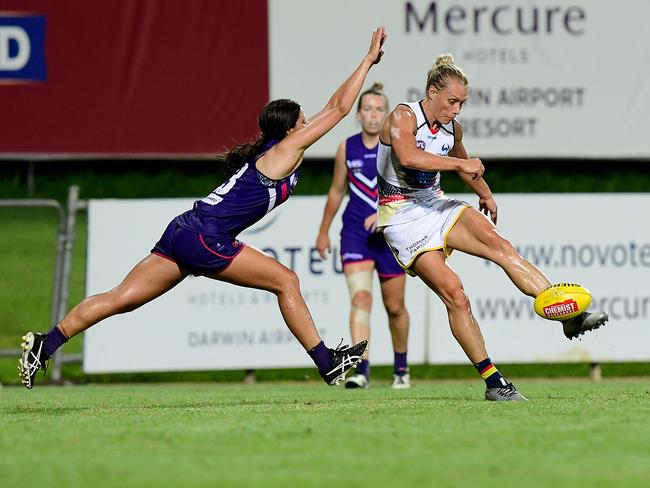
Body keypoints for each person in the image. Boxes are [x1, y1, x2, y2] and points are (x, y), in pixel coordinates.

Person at [18, 26, 389, 390]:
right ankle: (327, 363)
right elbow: (340, 108)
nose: (310, 124)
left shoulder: (274, 150)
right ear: (291, 132)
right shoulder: (284, 152)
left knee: (120, 298)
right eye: (304, 122)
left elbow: (331, 106)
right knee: (286, 281)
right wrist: (368, 60)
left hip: (184, 229)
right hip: (206, 236)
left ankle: (45, 344)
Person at [376, 54, 609, 401]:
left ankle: (568, 316)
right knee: (455, 294)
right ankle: (494, 382)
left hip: (434, 201)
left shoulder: (453, 129)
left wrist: (485, 194)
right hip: (401, 214)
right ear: (432, 92)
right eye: (452, 101)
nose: (457, 110)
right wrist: (460, 164)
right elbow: (410, 158)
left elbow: (467, 164)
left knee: (503, 247)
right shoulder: (403, 115)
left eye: (462, 104)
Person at [316, 83, 411, 390]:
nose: (373, 115)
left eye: (379, 110)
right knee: (360, 298)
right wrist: (323, 232)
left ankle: (401, 368)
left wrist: (384, 215)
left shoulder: (399, 146)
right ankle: (361, 369)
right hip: (355, 233)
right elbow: (336, 191)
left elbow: (411, 193)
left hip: (391, 235)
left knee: (394, 306)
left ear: (387, 115)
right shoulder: (347, 147)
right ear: (358, 114)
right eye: (367, 109)